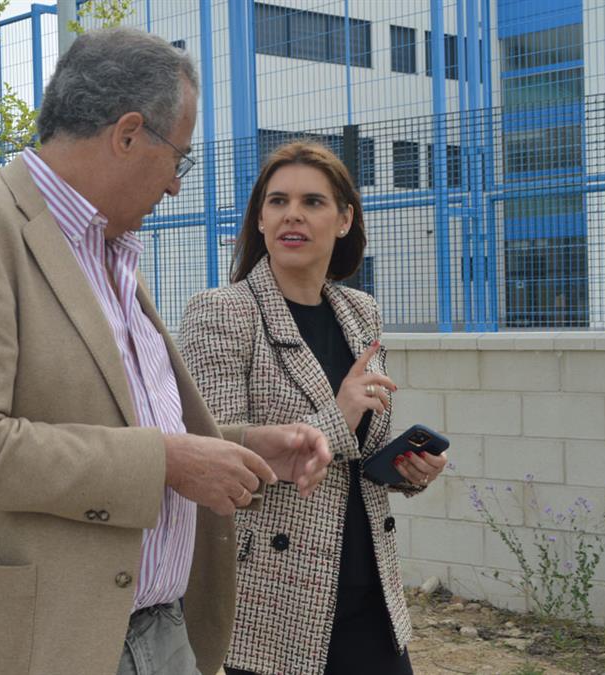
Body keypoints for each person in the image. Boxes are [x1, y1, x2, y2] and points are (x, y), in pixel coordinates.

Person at [0, 28, 332, 675]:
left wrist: (241, 446)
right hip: (45, 640)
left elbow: (113, 423)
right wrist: (168, 462)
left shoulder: (111, 254)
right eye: (180, 158)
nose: (177, 185)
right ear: (127, 135)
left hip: (160, 629)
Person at [179, 142, 449, 675]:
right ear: (260, 219)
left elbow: (359, 454)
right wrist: (338, 414)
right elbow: (213, 460)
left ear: (345, 219)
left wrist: (406, 471)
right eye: (277, 201)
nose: (292, 214)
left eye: (312, 202)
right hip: (274, 599)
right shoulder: (224, 312)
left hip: (369, 584)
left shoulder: (360, 312)